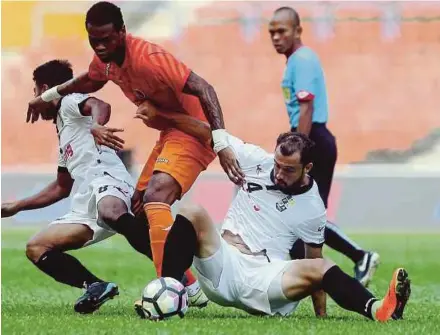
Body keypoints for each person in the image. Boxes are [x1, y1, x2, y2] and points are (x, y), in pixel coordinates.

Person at [26, 1, 244, 286]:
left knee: (155, 196)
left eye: (106, 39)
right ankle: (188, 280)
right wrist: (44, 98)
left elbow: (205, 88)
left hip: (194, 132)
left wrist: (221, 142)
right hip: (169, 132)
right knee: (138, 210)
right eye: (94, 40)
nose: (100, 46)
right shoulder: (104, 61)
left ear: (122, 32)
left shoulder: (149, 58)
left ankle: (170, 286)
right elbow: (89, 81)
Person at [2, 60, 207, 314]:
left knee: (110, 211)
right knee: (36, 247)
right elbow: (61, 187)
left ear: (44, 88)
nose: (34, 98)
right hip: (86, 201)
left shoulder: (68, 101)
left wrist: (97, 126)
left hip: (107, 178)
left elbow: (100, 105)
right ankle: (96, 286)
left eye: (35, 92)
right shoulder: (64, 132)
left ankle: (182, 276)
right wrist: (16, 206)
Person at [159, 132, 411, 321]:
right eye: (277, 165)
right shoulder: (254, 159)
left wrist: (320, 317)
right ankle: (167, 294)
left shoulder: (313, 207)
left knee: (323, 265)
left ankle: (379, 309)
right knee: (192, 211)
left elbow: (314, 264)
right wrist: (164, 115)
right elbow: (207, 130)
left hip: (266, 279)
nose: (279, 173)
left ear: (307, 168)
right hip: (222, 266)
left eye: (288, 169)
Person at [268, 6, 379, 286]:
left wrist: (300, 148)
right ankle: (303, 277)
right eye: (272, 32)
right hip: (310, 138)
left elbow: (306, 106)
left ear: (298, 31)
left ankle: (359, 256)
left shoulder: (303, 59)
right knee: (299, 214)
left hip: (312, 139)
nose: (276, 37)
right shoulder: (295, 60)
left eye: (282, 31)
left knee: (308, 214)